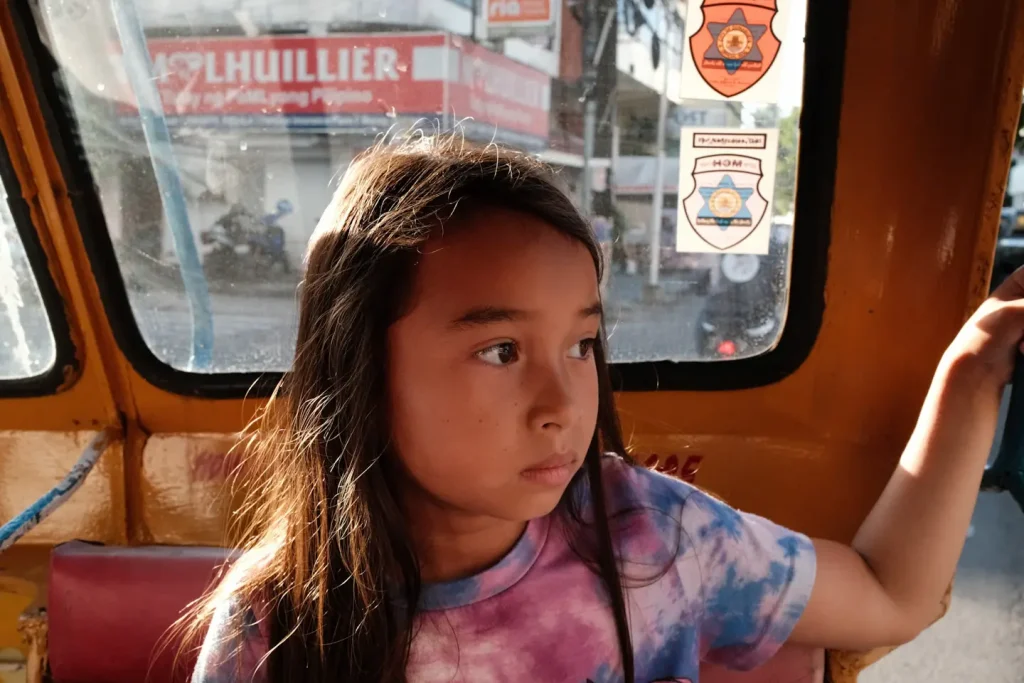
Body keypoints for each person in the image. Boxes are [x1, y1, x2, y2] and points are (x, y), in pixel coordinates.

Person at [189, 134, 1024, 683]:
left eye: (583, 346)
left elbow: (889, 591)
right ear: (360, 369)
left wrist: (974, 369)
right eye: (500, 351)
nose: (562, 405)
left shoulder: (651, 534)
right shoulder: (274, 630)